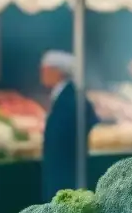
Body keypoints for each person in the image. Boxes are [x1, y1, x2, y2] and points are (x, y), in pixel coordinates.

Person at [40, 51, 99, 201]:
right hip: (62, 169)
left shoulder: (70, 96)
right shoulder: (65, 94)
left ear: (57, 72)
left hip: (66, 171)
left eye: (45, 69)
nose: (42, 73)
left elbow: (89, 118)